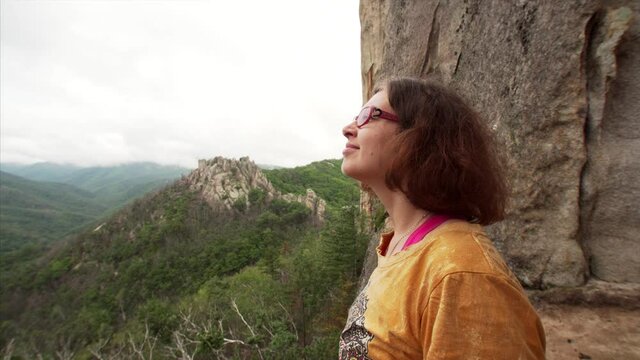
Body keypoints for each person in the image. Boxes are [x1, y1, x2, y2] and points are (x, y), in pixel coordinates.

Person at [338, 77, 545, 359]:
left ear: (417, 136)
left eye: (366, 116)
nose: (348, 129)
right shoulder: (401, 247)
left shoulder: (462, 274)